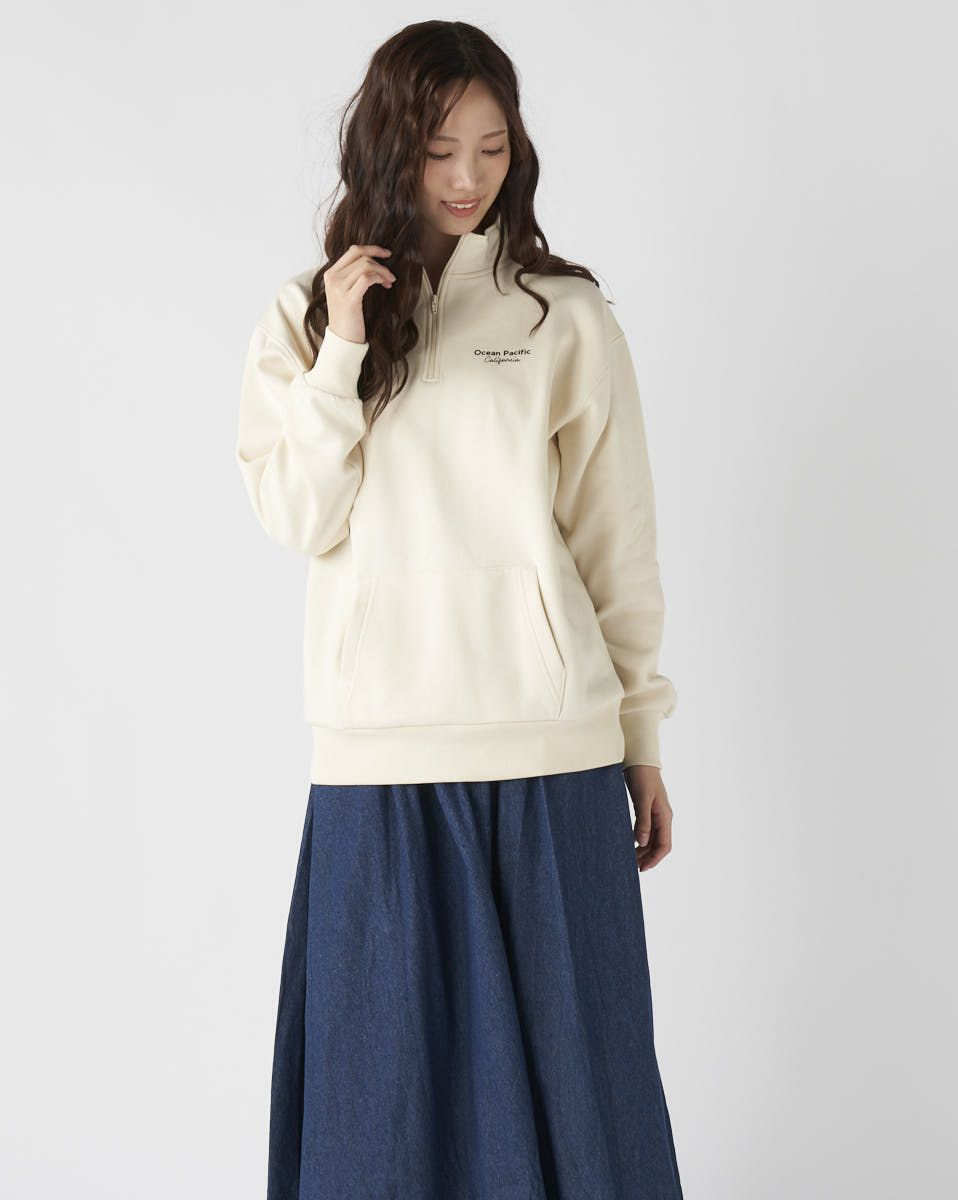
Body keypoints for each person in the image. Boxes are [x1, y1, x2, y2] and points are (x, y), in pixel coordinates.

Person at [235, 19, 685, 1200]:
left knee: (586, 1111)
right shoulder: (303, 317)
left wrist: (641, 737)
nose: (469, 177)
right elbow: (296, 515)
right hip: (380, 758)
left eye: (492, 147)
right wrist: (342, 351)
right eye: (440, 150)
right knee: (379, 1122)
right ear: (388, 147)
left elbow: (616, 545)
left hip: (552, 751)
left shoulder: (562, 317)